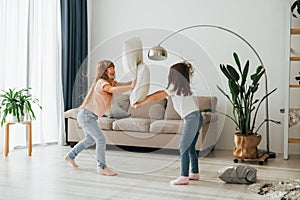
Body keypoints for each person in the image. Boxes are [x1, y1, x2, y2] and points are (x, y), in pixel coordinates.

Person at [134, 61, 203, 185]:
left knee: (184, 147)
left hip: (192, 118)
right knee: (191, 148)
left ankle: (184, 176)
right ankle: (194, 173)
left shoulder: (174, 88)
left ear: (174, 76)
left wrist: (140, 103)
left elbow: (156, 96)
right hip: (198, 117)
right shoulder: (186, 88)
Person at [64, 60, 136, 176]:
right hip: (86, 115)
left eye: (113, 68)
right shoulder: (102, 83)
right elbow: (113, 90)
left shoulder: (111, 82)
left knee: (90, 139)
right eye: (109, 68)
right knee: (101, 139)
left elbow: (120, 85)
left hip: (89, 116)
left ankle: (70, 156)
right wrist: (130, 87)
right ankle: (101, 167)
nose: (113, 70)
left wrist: (133, 83)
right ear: (104, 71)